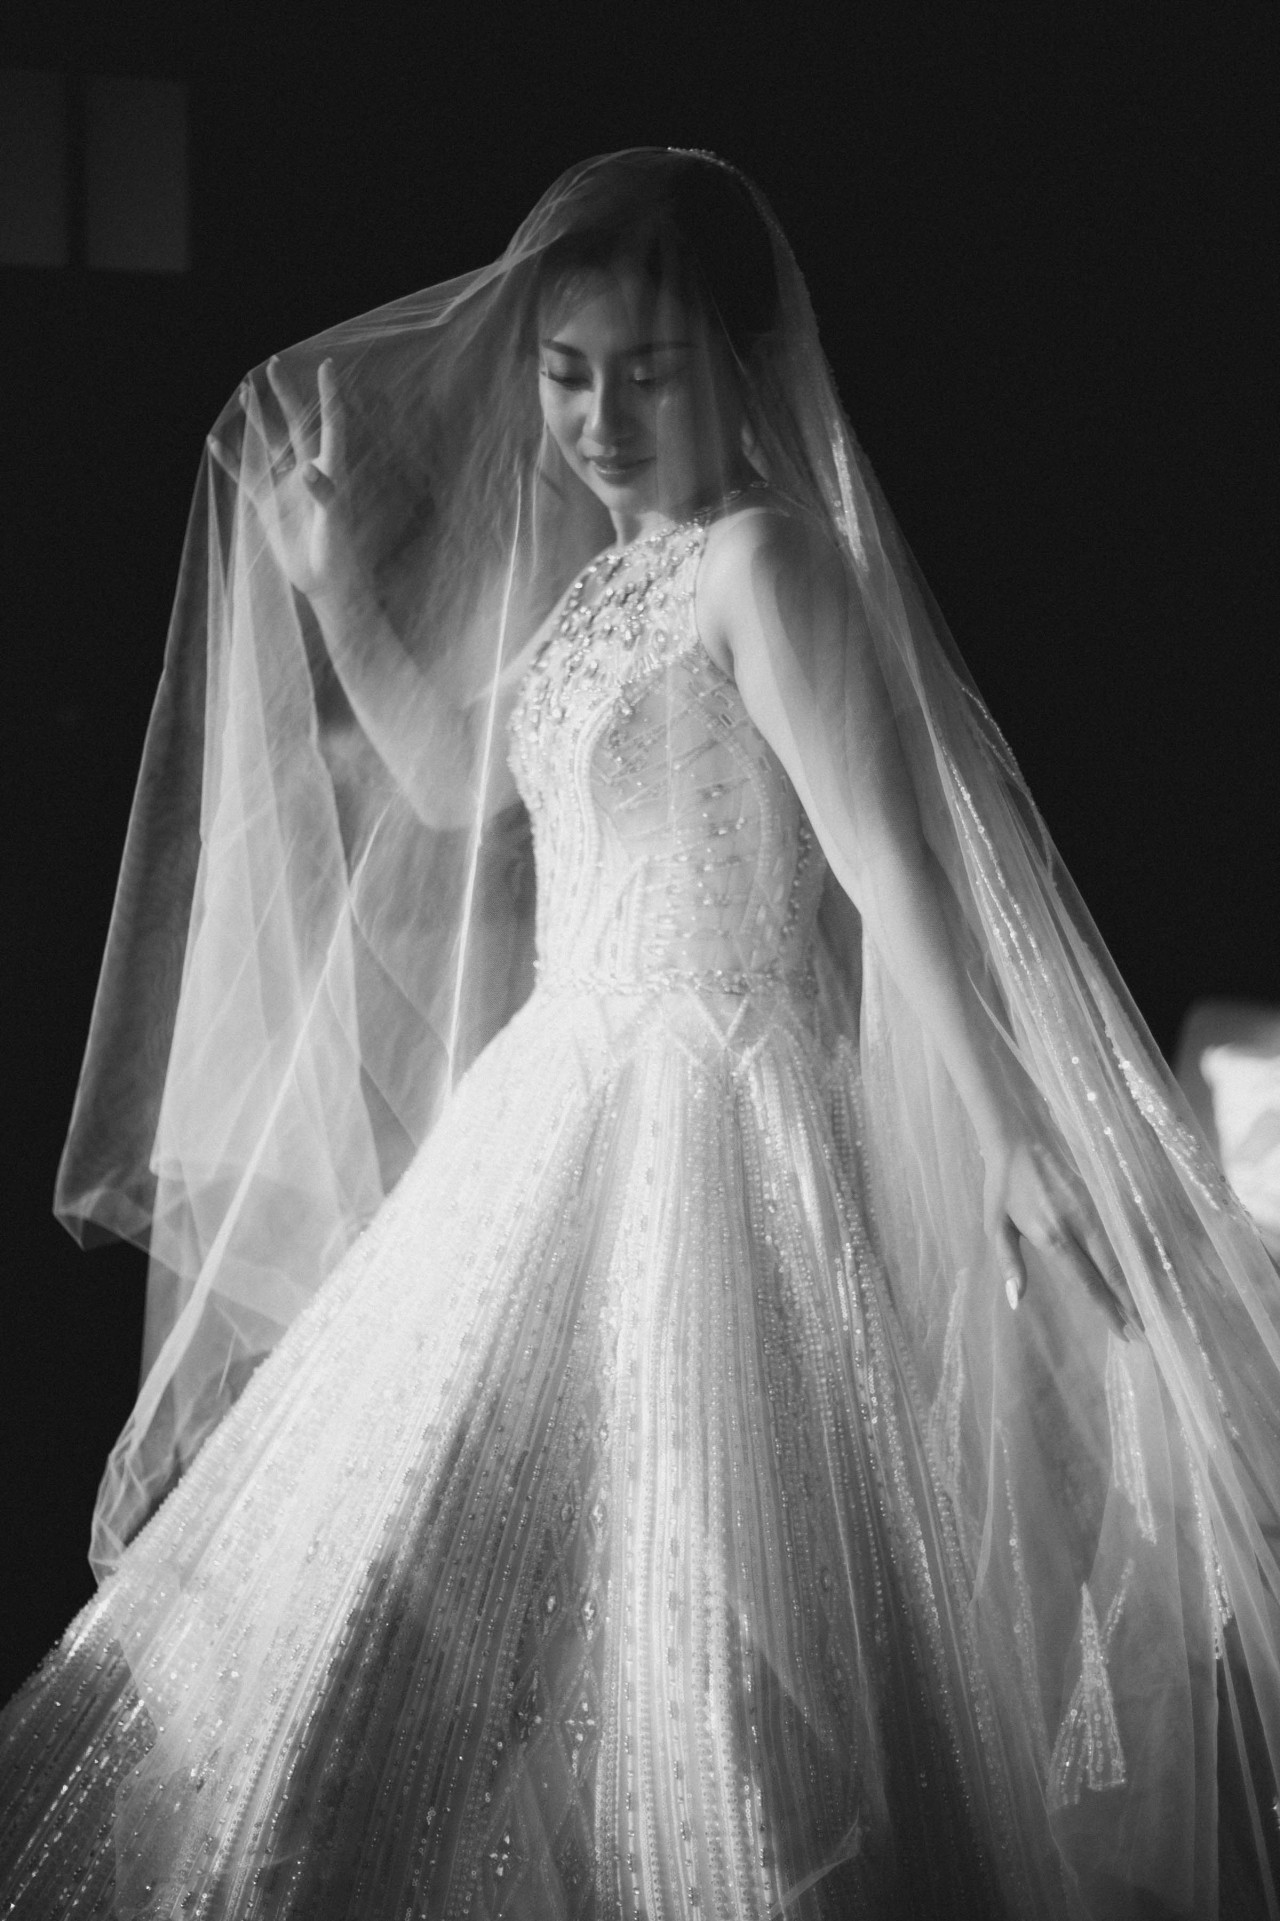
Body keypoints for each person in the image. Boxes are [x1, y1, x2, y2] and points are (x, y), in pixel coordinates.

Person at [1, 148, 1278, 1920]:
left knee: (715, 1630)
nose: (598, 417)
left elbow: (890, 865)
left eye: (646, 373)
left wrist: (1003, 1126)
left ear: (741, 366)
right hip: (559, 1103)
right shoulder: (612, 583)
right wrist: (329, 577)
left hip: (707, 1119)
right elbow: (450, 781)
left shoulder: (769, 562)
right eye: (566, 372)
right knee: (390, 1592)